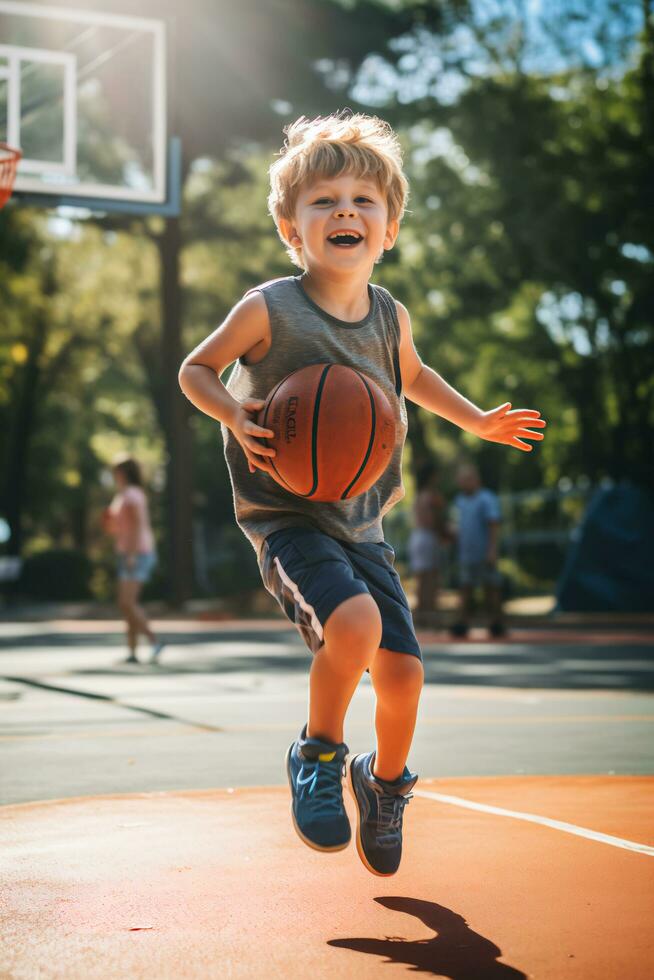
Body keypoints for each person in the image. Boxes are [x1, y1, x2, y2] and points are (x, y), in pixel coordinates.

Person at [178, 111, 546, 876]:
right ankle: (317, 752)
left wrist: (476, 418)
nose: (344, 210)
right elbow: (195, 370)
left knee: (405, 675)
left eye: (362, 200)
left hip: (363, 524)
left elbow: (412, 377)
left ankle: (382, 787)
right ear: (291, 228)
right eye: (323, 200)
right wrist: (233, 414)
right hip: (287, 519)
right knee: (353, 625)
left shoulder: (389, 316)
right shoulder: (268, 308)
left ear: (390, 229)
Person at [102, 456, 164, 665]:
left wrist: (131, 554)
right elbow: (116, 527)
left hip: (137, 552)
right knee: (127, 605)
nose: (114, 475)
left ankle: (154, 641)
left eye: (116, 472)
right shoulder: (122, 495)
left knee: (127, 602)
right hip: (127, 552)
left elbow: (137, 526)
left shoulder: (132, 495)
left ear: (123, 473)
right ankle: (132, 651)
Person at [449, 462, 506, 638]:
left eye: (468, 479)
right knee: (466, 588)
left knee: (491, 587)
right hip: (466, 553)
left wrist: (492, 549)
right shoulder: (458, 501)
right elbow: (455, 525)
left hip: (484, 552)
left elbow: (493, 524)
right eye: (462, 479)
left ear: (476, 479)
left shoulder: (486, 498)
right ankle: (463, 622)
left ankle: (496, 622)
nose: (465, 482)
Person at [408, 461, 448, 627]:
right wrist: (445, 534)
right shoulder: (431, 496)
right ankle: (429, 614)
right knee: (430, 577)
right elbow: (434, 519)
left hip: (417, 536)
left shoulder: (419, 495)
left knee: (422, 577)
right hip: (427, 536)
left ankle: (421, 615)